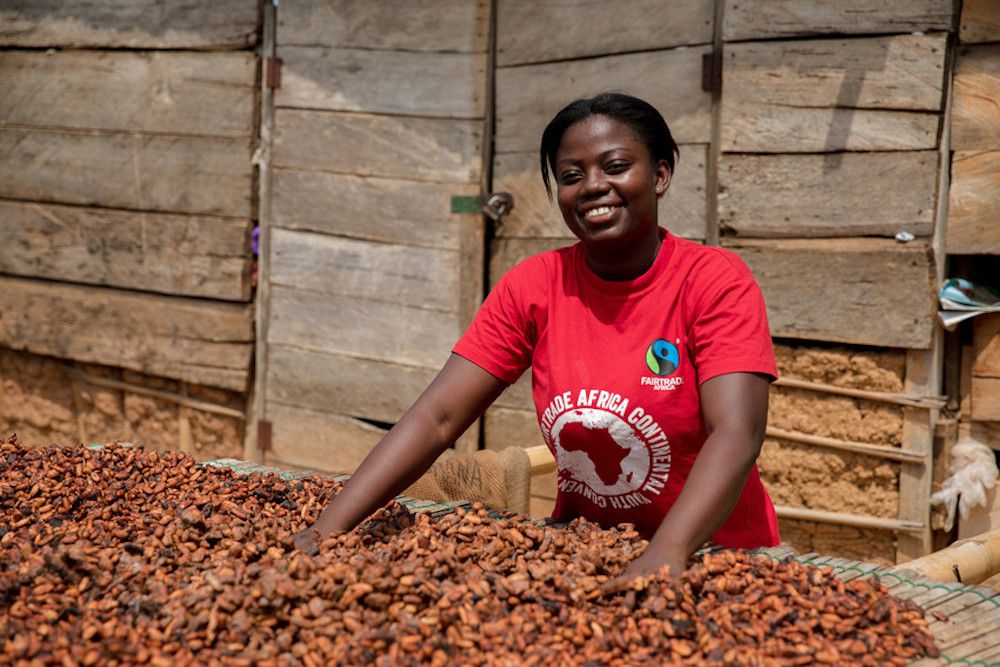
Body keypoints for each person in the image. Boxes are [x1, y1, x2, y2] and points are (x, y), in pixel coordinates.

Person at [294, 92, 779, 585]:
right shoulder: (535, 286)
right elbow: (438, 418)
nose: (593, 186)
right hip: (584, 552)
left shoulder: (714, 281)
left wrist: (667, 552)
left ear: (659, 175)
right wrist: (324, 532)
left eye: (615, 166)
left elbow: (736, 432)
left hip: (714, 557)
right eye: (571, 176)